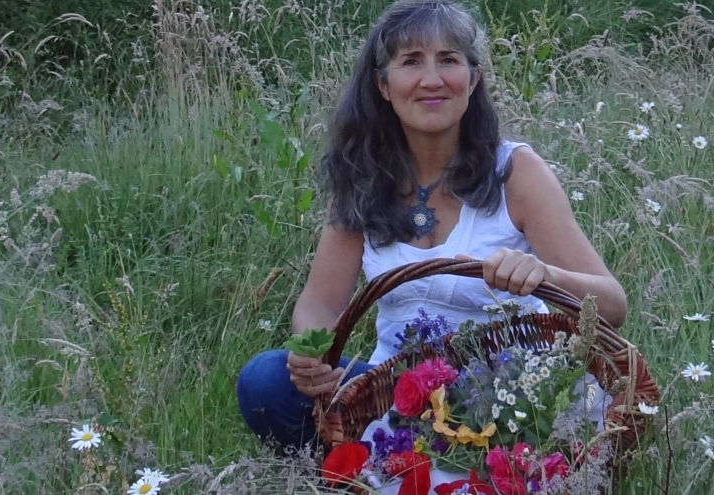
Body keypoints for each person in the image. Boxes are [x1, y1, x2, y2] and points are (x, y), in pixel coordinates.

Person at [236, 0, 627, 453]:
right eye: (411, 62)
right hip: (395, 392)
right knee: (265, 380)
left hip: (506, 396)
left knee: (492, 439)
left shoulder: (516, 172)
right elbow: (319, 305)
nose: (431, 79)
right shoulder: (363, 177)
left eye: (449, 60)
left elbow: (612, 304)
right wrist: (311, 355)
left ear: (473, 78)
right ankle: (365, 462)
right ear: (383, 85)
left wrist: (543, 276)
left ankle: (415, 463)